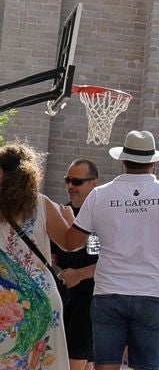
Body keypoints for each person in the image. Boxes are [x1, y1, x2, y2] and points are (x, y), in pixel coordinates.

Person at [58, 130, 159, 370]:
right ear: (153, 162)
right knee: (147, 366)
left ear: (123, 160)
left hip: (109, 291)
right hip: (152, 293)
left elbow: (71, 242)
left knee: (105, 365)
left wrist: (65, 218)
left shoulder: (100, 196)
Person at [0, 142, 73, 369]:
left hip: (6, 302)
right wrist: (72, 220)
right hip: (43, 298)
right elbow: (70, 244)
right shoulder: (43, 204)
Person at [52, 158, 101, 370]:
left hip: (90, 300)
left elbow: (112, 261)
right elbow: (52, 256)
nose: (71, 186)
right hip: (63, 298)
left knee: (73, 362)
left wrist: (79, 274)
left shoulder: (103, 217)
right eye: (68, 180)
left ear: (93, 183)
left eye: (77, 181)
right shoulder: (60, 213)